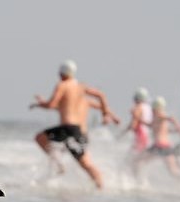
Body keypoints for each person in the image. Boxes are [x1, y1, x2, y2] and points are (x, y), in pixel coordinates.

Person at [30, 60, 120, 189]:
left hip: (68, 129)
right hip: (79, 132)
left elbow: (52, 105)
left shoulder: (62, 85)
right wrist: (107, 114)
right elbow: (100, 96)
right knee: (85, 163)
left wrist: (39, 104)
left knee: (40, 138)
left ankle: (59, 166)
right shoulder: (81, 88)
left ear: (62, 73)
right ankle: (100, 185)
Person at [141, 96, 180, 177]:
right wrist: (141, 121)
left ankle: (138, 182)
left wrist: (179, 127)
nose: (151, 110)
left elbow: (171, 118)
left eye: (153, 108)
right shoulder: (158, 117)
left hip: (159, 146)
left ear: (156, 107)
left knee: (138, 161)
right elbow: (159, 128)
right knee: (173, 171)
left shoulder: (159, 114)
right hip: (165, 146)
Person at [124, 87, 153, 152]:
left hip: (140, 134)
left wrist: (123, 133)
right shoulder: (148, 107)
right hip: (147, 135)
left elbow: (133, 125)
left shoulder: (138, 108)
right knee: (139, 158)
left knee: (133, 158)